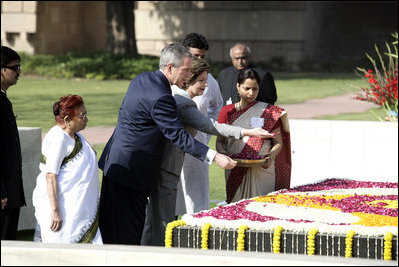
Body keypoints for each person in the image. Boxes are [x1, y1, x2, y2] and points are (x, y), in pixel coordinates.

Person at [98, 44, 238, 246]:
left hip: (115, 164)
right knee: (127, 236)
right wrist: (215, 156)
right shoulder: (162, 97)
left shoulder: (142, 79)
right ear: (170, 67)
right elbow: (178, 136)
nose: (189, 74)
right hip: (132, 172)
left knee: (112, 230)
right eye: (186, 70)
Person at [141, 58, 272, 246]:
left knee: (153, 220)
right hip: (166, 166)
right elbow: (211, 126)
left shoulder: (176, 95)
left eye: (206, 80)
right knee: (161, 220)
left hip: (159, 164)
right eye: (202, 80)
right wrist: (246, 132)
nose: (206, 85)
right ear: (188, 79)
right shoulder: (184, 102)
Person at [32, 94, 102, 243]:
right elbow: (51, 176)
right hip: (65, 210)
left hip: (78, 208)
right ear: (67, 120)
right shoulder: (58, 138)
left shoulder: (74, 136)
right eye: (82, 116)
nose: (86, 120)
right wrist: (55, 211)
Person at [216, 68, 291, 204]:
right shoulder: (227, 111)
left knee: (263, 208)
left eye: (255, 89)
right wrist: (223, 155)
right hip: (235, 168)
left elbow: (278, 142)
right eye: (247, 88)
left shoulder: (269, 112)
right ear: (238, 87)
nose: (251, 93)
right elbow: (220, 141)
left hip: (263, 169)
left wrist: (270, 156)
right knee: (236, 208)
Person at [178, 33, 224, 215]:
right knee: (170, 197)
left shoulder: (209, 81)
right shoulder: (172, 79)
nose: (198, 60)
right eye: (194, 55)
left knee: (196, 198)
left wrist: (205, 128)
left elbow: (217, 107)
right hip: (172, 146)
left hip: (198, 146)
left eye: (202, 56)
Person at [0, 46, 26, 240]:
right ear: (2, 70)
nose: (19, 71)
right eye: (15, 67)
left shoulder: (4, 100)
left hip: (10, 192)